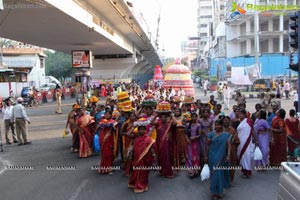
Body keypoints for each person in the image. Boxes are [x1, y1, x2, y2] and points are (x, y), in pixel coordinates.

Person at [205, 119, 231, 200]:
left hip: (221, 156)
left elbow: (229, 145)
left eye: (218, 125)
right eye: (215, 125)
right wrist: (205, 156)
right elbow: (207, 145)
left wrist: (228, 155)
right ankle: (214, 192)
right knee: (215, 174)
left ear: (222, 125)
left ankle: (219, 191)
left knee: (219, 174)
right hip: (212, 156)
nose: (216, 126)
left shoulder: (226, 135)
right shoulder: (211, 134)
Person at [128, 118, 156, 193]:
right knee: (136, 170)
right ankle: (134, 183)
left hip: (145, 159)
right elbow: (128, 134)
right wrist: (134, 127)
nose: (142, 131)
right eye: (141, 129)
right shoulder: (136, 137)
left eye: (144, 129)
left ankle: (141, 185)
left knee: (143, 172)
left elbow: (151, 148)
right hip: (136, 158)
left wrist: (153, 155)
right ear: (138, 130)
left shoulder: (148, 139)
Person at [98, 111, 118, 175]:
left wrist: (112, 127)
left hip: (110, 139)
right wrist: (104, 125)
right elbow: (100, 127)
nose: (107, 115)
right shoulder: (102, 121)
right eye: (106, 114)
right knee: (104, 154)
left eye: (108, 114)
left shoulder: (113, 121)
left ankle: (109, 168)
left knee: (109, 154)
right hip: (103, 138)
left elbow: (115, 130)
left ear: (110, 115)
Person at [223, 116, 239, 182]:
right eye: (225, 120)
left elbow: (237, 141)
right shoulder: (220, 129)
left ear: (229, 121)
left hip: (231, 150)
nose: (226, 121)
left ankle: (230, 179)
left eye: (227, 120)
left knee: (232, 164)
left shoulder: (232, 130)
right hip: (222, 150)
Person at [237, 109, 253, 178]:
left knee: (246, 156)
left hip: (246, 141)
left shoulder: (248, 121)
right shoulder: (240, 122)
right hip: (240, 141)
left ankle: (248, 172)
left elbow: (252, 130)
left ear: (244, 114)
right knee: (242, 157)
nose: (240, 115)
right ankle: (244, 171)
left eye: (241, 114)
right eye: (239, 114)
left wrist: (256, 140)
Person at [185, 112, 201, 178]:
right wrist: (187, 139)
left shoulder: (198, 125)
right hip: (189, 143)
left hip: (195, 143)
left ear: (197, 117)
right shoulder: (188, 124)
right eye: (193, 117)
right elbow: (185, 133)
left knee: (195, 156)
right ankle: (191, 171)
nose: (194, 118)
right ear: (191, 117)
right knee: (189, 156)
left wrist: (195, 137)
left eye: (195, 117)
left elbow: (200, 134)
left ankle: (196, 170)